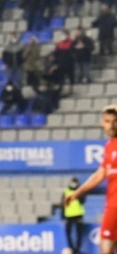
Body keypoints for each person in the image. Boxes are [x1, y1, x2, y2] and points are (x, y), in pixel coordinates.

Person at [65, 105, 117, 254]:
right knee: (106, 248)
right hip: (112, 206)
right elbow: (100, 174)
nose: (111, 126)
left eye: (115, 121)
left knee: (106, 247)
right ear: (102, 123)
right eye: (108, 121)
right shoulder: (109, 147)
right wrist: (77, 193)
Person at [62, 177, 85, 254]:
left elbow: (82, 201)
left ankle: (77, 250)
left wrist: (77, 193)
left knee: (79, 234)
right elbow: (63, 204)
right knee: (68, 233)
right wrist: (63, 216)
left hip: (78, 215)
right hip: (69, 215)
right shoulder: (66, 191)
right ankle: (71, 249)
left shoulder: (80, 191)